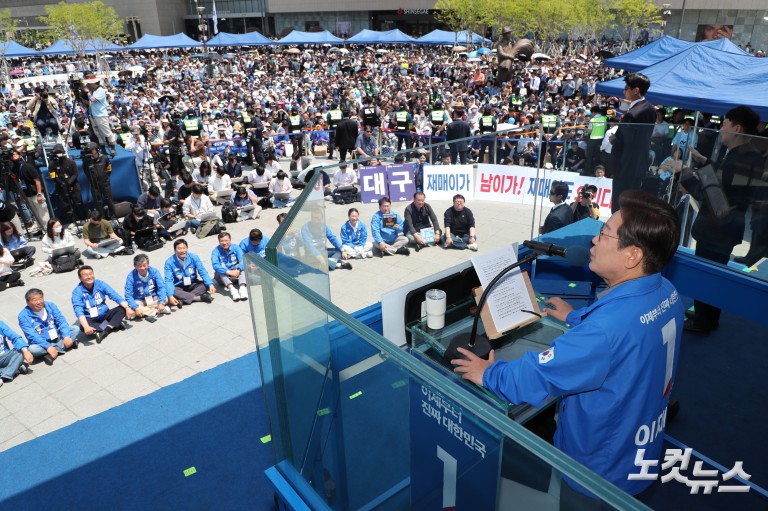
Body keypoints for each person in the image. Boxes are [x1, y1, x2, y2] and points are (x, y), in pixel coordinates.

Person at [452, 190, 683, 502]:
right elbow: (628, 342)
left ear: (632, 256)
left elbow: (539, 374)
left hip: (599, 473)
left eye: (603, 235)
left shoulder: (604, 331)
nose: (593, 242)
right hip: (639, 449)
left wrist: (489, 374)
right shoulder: (667, 292)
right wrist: (578, 318)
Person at [685, 106, 766, 334]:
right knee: (710, 275)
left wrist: (684, 174)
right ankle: (705, 314)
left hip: (718, 229)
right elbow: (722, 183)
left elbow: (715, 197)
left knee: (708, 277)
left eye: (725, 124)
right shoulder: (741, 154)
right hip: (721, 228)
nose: (720, 129)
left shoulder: (743, 158)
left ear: (737, 128)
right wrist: (703, 162)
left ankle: (704, 321)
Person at [610, 73, 656, 212]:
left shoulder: (634, 114)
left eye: (626, 88)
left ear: (636, 90)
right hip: (638, 165)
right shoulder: (649, 108)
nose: (624, 91)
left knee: (620, 207)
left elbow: (629, 142)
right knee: (631, 206)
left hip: (626, 166)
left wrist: (614, 140)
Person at [18, 288, 81, 365]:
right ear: (28, 303)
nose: (39, 302)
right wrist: (48, 347)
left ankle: (52, 354)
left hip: (56, 336)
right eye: (34, 300)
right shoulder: (23, 316)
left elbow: (61, 321)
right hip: (41, 343)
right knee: (32, 349)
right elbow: (32, 336)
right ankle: (65, 346)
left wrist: (66, 336)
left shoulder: (50, 305)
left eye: (40, 298)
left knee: (75, 329)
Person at [71, 266, 131, 344]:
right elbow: (78, 311)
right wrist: (86, 327)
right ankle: (114, 324)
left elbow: (114, 295)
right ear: (80, 278)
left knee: (122, 309)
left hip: (105, 314)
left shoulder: (100, 284)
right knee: (83, 327)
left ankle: (105, 330)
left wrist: (127, 307)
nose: (89, 277)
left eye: (91, 274)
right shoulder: (77, 292)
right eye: (86, 275)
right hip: (91, 318)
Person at [164, 238, 216, 308]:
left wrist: (210, 284)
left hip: (192, 284)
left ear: (187, 248)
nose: (182, 251)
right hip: (178, 286)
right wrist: (170, 296)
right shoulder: (169, 262)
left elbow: (202, 271)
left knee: (206, 284)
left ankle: (182, 299)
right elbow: (168, 280)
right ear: (175, 250)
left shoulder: (194, 257)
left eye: (184, 248)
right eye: (179, 248)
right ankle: (199, 298)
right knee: (169, 290)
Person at [10, 148, 49, 232]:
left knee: (42, 213)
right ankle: (41, 229)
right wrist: (21, 196)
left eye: (15, 154)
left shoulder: (27, 166)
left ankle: (48, 230)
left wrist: (39, 194)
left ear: (20, 155)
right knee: (35, 214)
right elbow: (18, 184)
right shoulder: (14, 169)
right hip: (26, 195)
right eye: (12, 155)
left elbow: (37, 180)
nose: (14, 156)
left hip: (35, 194)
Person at [48, 144, 85, 224]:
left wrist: (69, 182)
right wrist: (61, 183)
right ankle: (71, 220)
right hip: (61, 187)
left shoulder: (70, 162)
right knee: (66, 205)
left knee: (78, 202)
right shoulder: (52, 164)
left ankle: (82, 218)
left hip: (73, 185)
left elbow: (75, 173)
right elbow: (53, 176)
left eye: (60, 152)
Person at [124, 253, 169, 318]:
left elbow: (161, 287)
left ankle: (144, 311)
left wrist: (161, 302)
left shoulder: (154, 271)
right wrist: (136, 307)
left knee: (165, 298)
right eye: (139, 266)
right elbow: (128, 294)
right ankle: (157, 310)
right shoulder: (131, 276)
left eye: (144, 265)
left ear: (148, 264)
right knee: (131, 306)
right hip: (139, 300)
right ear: (135, 266)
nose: (142, 268)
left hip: (153, 297)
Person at [84, 73, 117, 157]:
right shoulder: (94, 90)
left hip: (101, 115)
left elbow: (92, 99)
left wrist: (87, 92)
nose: (88, 85)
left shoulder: (100, 90)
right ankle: (103, 149)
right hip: (94, 114)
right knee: (98, 133)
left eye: (90, 83)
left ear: (94, 83)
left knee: (107, 132)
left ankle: (113, 148)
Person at [83, 142, 117, 219]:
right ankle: (101, 217)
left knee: (109, 199)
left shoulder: (104, 158)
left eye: (91, 150)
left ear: (96, 150)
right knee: (98, 202)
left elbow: (109, 169)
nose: (90, 152)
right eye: (88, 150)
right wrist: (93, 180)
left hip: (105, 183)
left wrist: (105, 177)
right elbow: (86, 172)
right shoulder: (86, 161)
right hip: (94, 184)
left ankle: (112, 215)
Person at [211, 231, 248, 301]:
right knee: (219, 270)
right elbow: (215, 265)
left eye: (226, 240)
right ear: (219, 242)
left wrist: (238, 270)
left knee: (242, 267)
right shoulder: (215, 251)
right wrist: (228, 272)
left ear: (230, 240)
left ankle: (242, 288)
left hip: (236, 273)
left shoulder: (236, 248)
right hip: (224, 277)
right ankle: (232, 289)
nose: (224, 243)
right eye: (222, 241)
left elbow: (243, 259)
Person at [0, 321, 31, 387]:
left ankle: (4, 375)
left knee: (21, 349)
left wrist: (25, 351)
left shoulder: (1, 324)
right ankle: (15, 369)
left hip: (5, 356)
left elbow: (14, 336)